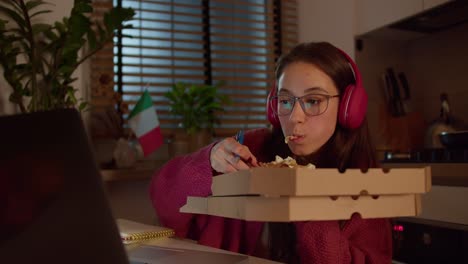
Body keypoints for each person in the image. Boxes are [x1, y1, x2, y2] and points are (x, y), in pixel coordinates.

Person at [149, 42, 392, 263]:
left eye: (314, 101)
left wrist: (308, 207)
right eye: (285, 101)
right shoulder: (253, 148)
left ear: (349, 108)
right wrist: (208, 160)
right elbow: (162, 198)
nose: (295, 117)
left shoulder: (366, 184)